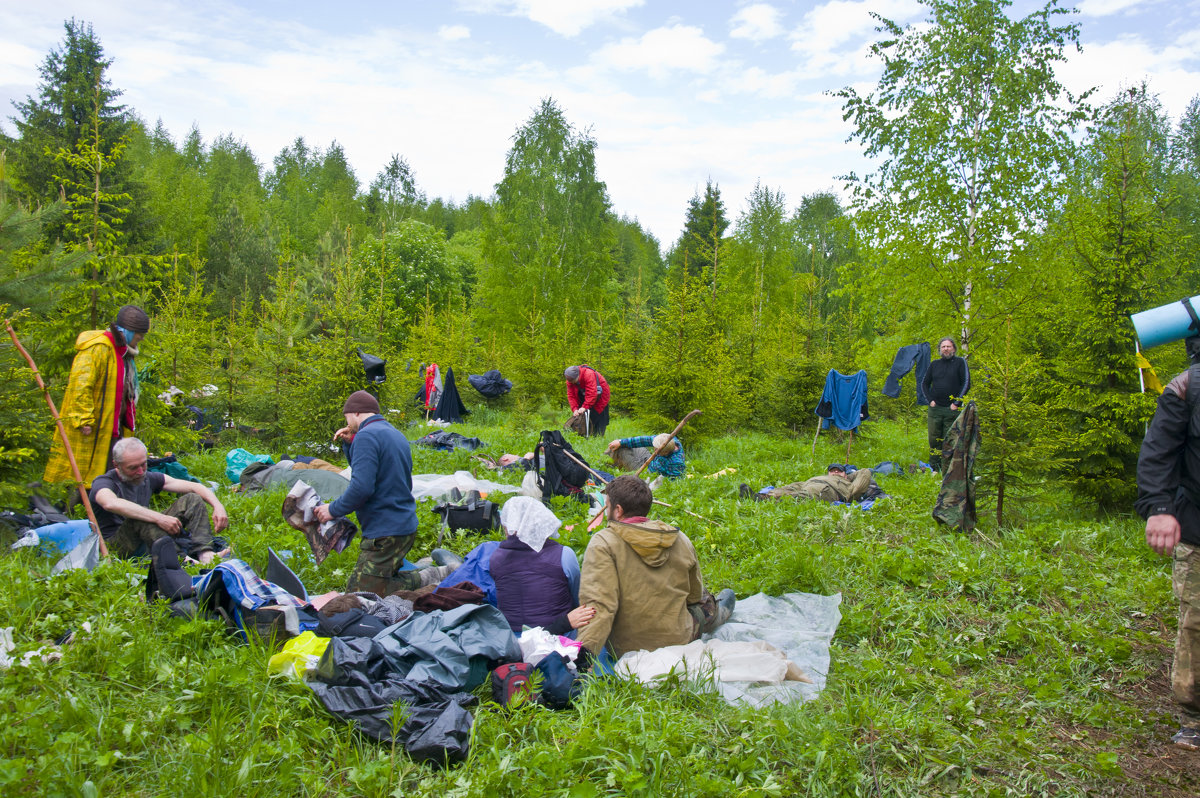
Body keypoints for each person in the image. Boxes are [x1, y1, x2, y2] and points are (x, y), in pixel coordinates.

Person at [576, 475, 734, 660]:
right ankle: (718, 612)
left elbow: (599, 604)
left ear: (618, 510)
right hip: (680, 640)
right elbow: (694, 595)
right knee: (706, 600)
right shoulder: (678, 538)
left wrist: (584, 655)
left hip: (626, 649)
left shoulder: (602, 543)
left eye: (608, 505)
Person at [315, 391, 451, 594]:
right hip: (402, 524)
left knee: (361, 595)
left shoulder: (366, 436)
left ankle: (435, 575)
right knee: (378, 582)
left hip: (386, 532)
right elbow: (367, 471)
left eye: (347, 418)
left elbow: (361, 487)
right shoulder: (392, 433)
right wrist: (349, 444)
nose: (347, 422)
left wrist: (332, 510)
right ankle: (425, 571)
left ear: (356, 413)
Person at [1137, 337, 1200, 750]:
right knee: (1197, 620)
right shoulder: (1186, 386)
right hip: (1197, 524)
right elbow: (1158, 450)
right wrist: (1159, 507)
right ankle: (1194, 715)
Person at [44, 305, 151, 487]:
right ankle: (71, 506)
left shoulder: (122, 352)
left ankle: (101, 506)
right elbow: (80, 385)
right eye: (139, 334)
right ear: (128, 331)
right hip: (91, 424)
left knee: (105, 470)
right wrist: (84, 418)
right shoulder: (97, 349)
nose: (141, 338)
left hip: (111, 423)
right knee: (81, 468)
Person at [90, 437, 229, 563]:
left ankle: (205, 554)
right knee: (141, 517)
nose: (140, 471)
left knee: (192, 499)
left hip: (146, 536)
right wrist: (159, 518)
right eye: (132, 468)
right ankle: (183, 560)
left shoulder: (147, 477)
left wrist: (218, 506)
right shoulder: (104, 482)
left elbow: (194, 486)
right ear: (116, 465)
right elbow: (110, 503)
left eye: (143, 465)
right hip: (115, 546)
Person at [489, 496, 595, 636]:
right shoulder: (564, 555)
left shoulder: (496, 558)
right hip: (558, 637)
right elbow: (577, 597)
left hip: (512, 641)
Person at [921, 336, 970, 472]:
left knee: (950, 439)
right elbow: (924, 383)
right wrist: (930, 400)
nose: (946, 349)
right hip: (935, 409)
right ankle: (934, 468)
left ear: (954, 348)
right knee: (934, 439)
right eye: (943, 347)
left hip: (952, 409)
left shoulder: (960, 362)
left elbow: (966, 383)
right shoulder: (934, 364)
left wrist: (957, 402)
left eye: (948, 346)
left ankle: (949, 468)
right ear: (940, 349)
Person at [741, 464, 875, 503]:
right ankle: (762, 496)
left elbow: (865, 472)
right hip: (810, 482)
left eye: (839, 471)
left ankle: (767, 501)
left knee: (806, 495)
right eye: (832, 471)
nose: (835, 472)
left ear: (845, 474)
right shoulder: (825, 476)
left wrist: (848, 479)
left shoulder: (846, 481)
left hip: (830, 489)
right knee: (790, 487)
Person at [606, 433, 685, 480]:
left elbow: (673, 480)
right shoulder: (667, 439)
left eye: (657, 450)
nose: (654, 450)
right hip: (650, 459)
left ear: (665, 452)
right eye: (654, 447)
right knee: (621, 444)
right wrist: (620, 442)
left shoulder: (675, 463)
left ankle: (609, 468)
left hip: (646, 471)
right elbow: (643, 440)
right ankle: (606, 463)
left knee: (622, 451)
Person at [564, 364, 610, 437]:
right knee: (582, 416)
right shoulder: (570, 380)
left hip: (600, 395)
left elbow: (592, 392)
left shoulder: (588, 374)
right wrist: (575, 409)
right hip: (584, 394)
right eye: (571, 381)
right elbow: (571, 395)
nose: (572, 383)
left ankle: (598, 436)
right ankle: (585, 434)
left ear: (578, 376)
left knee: (598, 414)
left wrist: (585, 406)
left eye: (574, 381)